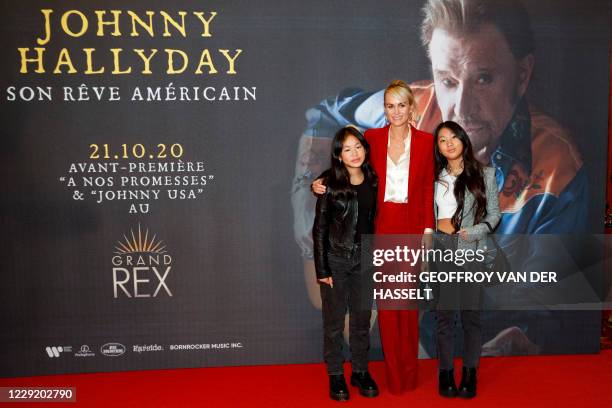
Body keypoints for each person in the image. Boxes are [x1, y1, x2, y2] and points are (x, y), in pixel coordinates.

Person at [293, 0, 591, 358]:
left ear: (523, 74)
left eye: (483, 79)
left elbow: (546, 313)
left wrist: (523, 345)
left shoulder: (559, 170)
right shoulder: (413, 109)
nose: (462, 108)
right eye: (448, 80)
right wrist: (316, 242)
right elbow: (327, 114)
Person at [313, 80, 435, 394]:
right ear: (385, 110)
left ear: (412, 108)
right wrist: (321, 181)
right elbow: (350, 166)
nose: (396, 112)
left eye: (402, 105)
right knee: (384, 304)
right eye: (390, 106)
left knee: (405, 303)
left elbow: (425, 191)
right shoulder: (373, 138)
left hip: (410, 226)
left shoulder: (425, 142)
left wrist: (427, 232)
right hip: (377, 227)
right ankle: (391, 374)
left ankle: (408, 372)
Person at [432, 121, 500, 398]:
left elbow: (494, 215)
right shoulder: (434, 176)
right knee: (444, 318)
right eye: (441, 140)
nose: (448, 143)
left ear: (463, 140)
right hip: (441, 248)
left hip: (471, 250)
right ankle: (446, 373)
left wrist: (472, 233)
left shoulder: (484, 174)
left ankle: (470, 373)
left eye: (452, 137)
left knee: (471, 318)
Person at [312, 125, 379, 401]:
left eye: (358, 147)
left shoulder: (374, 178)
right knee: (334, 322)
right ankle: (336, 373)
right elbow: (319, 230)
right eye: (347, 149)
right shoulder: (329, 183)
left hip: (365, 260)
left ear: (365, 149)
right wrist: (322, 269)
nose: (354, 153)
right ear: (339, 154)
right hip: (336, 260)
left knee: (362, 320)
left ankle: (360, 370)